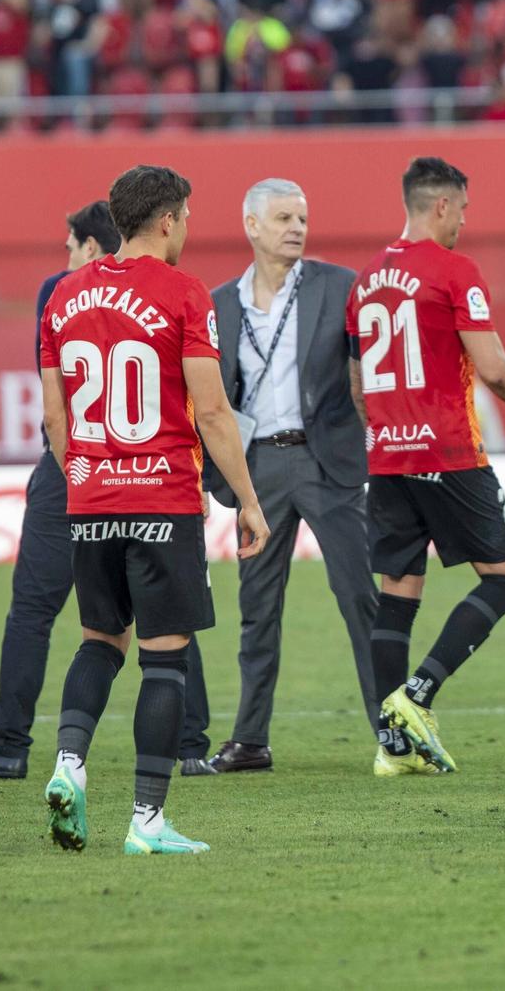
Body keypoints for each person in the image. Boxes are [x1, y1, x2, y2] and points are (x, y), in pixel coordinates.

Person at [37, 166, 270, 856]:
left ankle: (68, 764)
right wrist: (249, 501)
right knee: (164, 660)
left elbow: (56, 418)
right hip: (163, 499)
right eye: (188, 217)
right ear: (166, 220)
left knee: (98, 642)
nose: (189, 229)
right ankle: (146, 820)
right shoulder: (185, 293)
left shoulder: (63, 297)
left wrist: (84, 482)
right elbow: (213, 410)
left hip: (91, 500)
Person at [0, 202, 214, 781]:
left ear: (93, 247)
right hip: (152, 470)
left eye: (72, 244)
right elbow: (195, 399)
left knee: (36, 609)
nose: (66, 257)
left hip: (74, 469)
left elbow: (57, 403)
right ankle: (190, 745)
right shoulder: (177, 290)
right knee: (166, 608)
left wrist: (75, 471)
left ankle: (11, 745)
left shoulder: (60, 292)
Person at [350, 158, 505, 773]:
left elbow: (359, 383)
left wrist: (389, 428)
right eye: (462, 208)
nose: (464, 220)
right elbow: (489, 366)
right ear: (440, 205)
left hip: (387, 456)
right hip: (449, 450)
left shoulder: (366, 282)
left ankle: (391, 747)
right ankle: (418, 693)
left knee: (398, 591)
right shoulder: (455, 271)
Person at [201, 179, 384, 775]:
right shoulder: (219, 305)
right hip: (257, 471)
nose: (297, 228)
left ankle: (394, 732)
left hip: (327, 462)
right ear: (251, 225)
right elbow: (207, 399)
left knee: (360, 597)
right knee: (257, 607)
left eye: (302, 217)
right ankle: (250, 740)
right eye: (283, 218)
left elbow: (366, 377)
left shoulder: (339, 287)